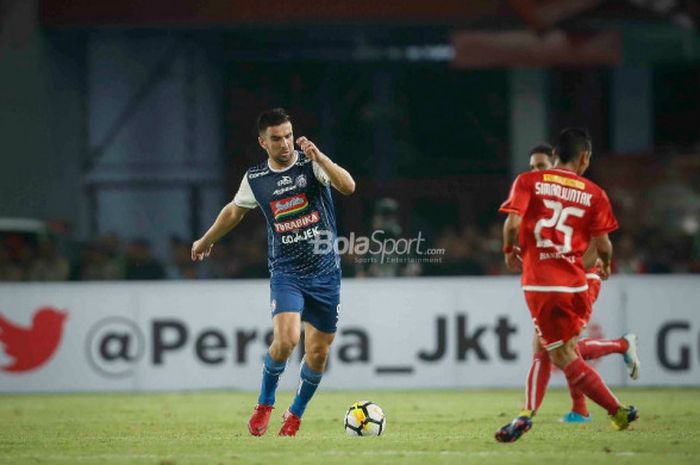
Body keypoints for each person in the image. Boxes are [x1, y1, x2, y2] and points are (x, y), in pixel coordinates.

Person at [191, 108, 355, 437]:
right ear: (262, 142)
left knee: (318, 352)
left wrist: (320, 157)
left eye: (288, 136)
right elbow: (234, 211)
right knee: (286, 340)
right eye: (276, 139)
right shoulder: (256, 179)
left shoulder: (311, 165)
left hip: (325, 274)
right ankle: (265, 403)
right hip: (287, 272)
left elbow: (348, 186)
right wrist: (206, 239)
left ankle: (295, 413)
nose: (285, 144)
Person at [495, 128, 638, 443]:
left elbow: (513, 224)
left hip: (541, 284)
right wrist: (607, 266)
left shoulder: (527, 182)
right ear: (584, 157)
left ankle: (614, 410)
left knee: (559, 354)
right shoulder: (595, 193)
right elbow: (604, 247)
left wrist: (508, 251)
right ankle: (544, 410)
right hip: (576, 284)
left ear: (554, 155)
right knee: (558, 349)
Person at [527, 144, 641, 424]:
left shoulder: (578, 193)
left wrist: (574, 270)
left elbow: (597, 240)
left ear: (554, 164)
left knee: (561, 347)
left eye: (542, 166)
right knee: (555, 347)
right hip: (560, 280)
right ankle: (579, 408)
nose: (536, 172)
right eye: (532, 168)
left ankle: (619, 348)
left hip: (582, 277)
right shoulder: (541, 196)